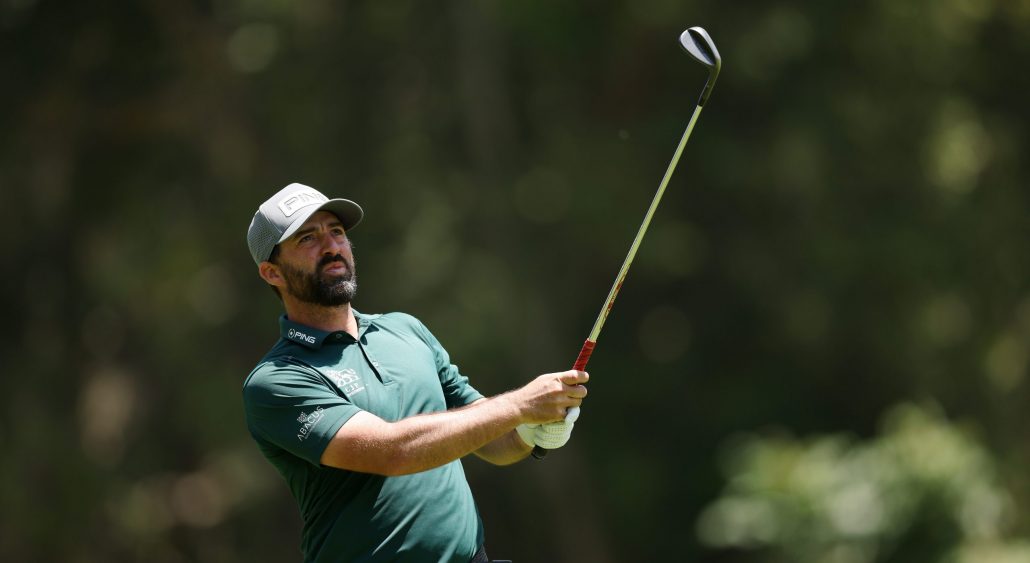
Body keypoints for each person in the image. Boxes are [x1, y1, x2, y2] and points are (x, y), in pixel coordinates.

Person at [242, 183, 589, 563]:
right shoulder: (277, 380)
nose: (331, 246)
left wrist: (532, 431)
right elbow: (393, 453)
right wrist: (521, 406)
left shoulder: (404, 329)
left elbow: (490, 440)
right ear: (272, 273)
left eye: (336, 231)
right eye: (308, 238)